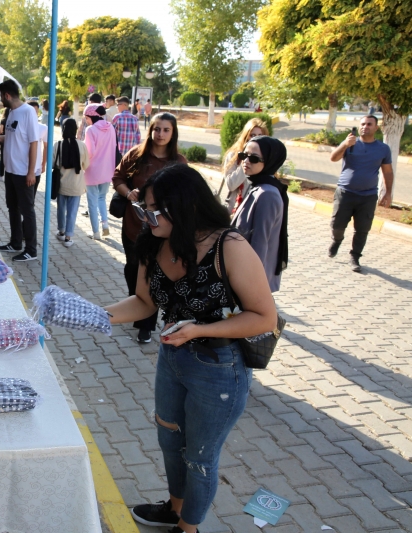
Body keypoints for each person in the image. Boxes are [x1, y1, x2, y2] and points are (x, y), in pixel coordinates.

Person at [105, 165, 277, 533]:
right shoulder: (154, 242)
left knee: (200, 457)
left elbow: (264, 317)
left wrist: (201, 329)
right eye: (143, 209)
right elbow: (143, 302)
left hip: (219, 369)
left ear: (183, 207)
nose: (146, 217)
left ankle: (188, 528)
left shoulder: (228, 247)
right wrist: (94, 315)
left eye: (154, 210)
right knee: (169, 440)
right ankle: (175, 508)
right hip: (172, 359)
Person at [112, 112, 187, 344]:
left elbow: (186, 194)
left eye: (166, 130)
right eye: (157, 129)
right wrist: (128, 192)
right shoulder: (136, 155)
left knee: (154, 274)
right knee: (132, 269)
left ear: (173, 133)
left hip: (163, 231)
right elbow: (117, 177)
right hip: (134, 225)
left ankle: (146, 324)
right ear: (150, 130)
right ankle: (136, 304)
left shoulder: (179, 162)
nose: (161, 134)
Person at [328, 115, 394, 272]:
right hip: (345, 192)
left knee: (362, 229)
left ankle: (355, 256)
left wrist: (388, 192)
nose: (365, 126)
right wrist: (345, 144)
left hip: (368, 196)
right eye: (363, 124)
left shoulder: (383, 149)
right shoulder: (350, 143)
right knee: (337, 224)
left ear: (376, 128)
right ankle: (337, 240)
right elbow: (333, 158)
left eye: (369, 124)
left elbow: (388, 172)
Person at [232, 136, 289, 292]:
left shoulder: (267, 194)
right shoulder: (259, 185)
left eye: (254, 158)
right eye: (243, 155)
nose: (246, 161)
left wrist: (250, 286)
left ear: (270, 161)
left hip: (251, 280)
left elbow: (260, 242)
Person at [0, 79, 40, 262]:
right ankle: (15, 242)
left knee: (27, 211)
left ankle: (31, 250)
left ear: (7, 95)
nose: (0, 99)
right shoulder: (11, 113)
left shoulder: (28, 112)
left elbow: (33, 143)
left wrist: (31, 172)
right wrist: (0, 138)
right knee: (12, 207)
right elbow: (14, 137)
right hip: (11, 171)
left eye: (0, 96)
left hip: (23, 173)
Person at [220, 118, 269, 211]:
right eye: (252, 135)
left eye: (260, 135)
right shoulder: (234, 156)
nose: (256, 139)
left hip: (254, 209)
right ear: (246, 136)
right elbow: (231, 185)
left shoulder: (265, 159)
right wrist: (246, 160)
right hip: (234, 210)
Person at [83, 104, 115, 240]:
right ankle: (105, 224)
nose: (86, 120)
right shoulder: (111, 127)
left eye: (86, 118)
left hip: (92, 171)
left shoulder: (90, 130)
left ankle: (96, 233)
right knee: (102, 198)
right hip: (108, 170)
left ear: (90, 116)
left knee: (92, 202)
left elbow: (89, 152)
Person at [54, 118, 87, 247]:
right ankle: (68, 237)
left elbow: (53, 163)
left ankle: (61, 231)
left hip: (61, 184)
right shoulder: (81, 145)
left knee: (61, 209)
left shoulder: (58, 145)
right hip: (76, 185)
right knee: (72, 211)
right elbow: (86, 164)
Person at [0, 107, 10, 182]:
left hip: (3, 140)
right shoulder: (12, 120)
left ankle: (1, 175)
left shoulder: (3, 120)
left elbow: (0, 131)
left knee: (2, 159)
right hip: (11, 141)